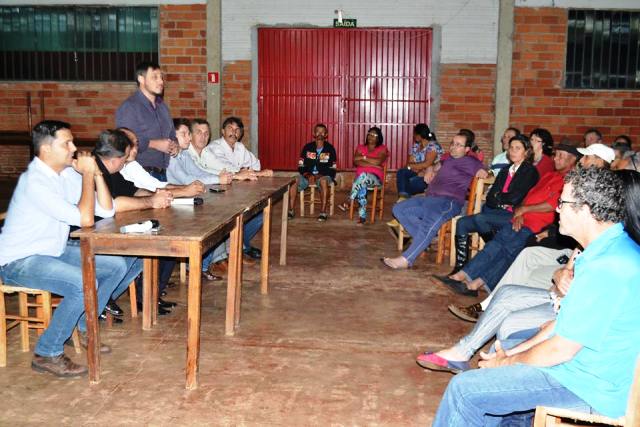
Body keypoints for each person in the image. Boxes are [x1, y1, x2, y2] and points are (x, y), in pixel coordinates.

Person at [431, 167, 640, 426]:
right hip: (586, 371)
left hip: (589, 387)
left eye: (562, 202)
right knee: (506, 364)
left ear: (586, 210)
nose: (557, 209)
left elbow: (561, 348)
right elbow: (562, 327)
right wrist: (509, 356)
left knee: (465, 390)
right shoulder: (608, 249)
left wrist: (507, 363)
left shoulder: (608, 266)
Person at [0, 121, 139, 377]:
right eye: (67, 143)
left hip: (52, 250)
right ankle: (47, 352)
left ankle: (85, 328)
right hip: (19, 260)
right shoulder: (36, 182)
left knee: (118, 264)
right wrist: (87, 175)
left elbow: (106, 210)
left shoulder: (64, 175)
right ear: (47, 149)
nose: (74, 148)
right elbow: (85, 219)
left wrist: (95, 173)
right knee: (81, 283)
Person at [436, 144, 579, 296]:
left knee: (508, 251)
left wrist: (523, 210)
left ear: (573, 159)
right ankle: (460, 276)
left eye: (561, 156)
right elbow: (528, 196)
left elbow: (552, 204)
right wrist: (519, 212)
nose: (555, 158)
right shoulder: (550, 175)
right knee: (495, 244)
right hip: (521, 218)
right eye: (555, 155)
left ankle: (474, 285)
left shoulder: (571, 181)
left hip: (537, 225)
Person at [93, 129, 179, 315]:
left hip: (108, 228)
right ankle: (101, 300)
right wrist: (150, 201)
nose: (126, 161)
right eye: (124, 157)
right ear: (115, 159)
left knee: (144, 257)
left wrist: (156, 196)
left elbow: (133, 190)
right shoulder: (94, 170)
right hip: (89, 234)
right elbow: (113, 205)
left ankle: (106, 298)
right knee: (132, 258)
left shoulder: (112, 170)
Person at [381, 132, 486, 269]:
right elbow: (434, 166)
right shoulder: (448, 159)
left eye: (458, 145)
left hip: (448, 202)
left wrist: (482, 172)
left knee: (428, 224)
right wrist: (430, 169)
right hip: (430, 198)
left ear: (467, 149)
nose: (453, 147)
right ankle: (427, 239)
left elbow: (483, 171)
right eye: (452, 143)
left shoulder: (470, 161)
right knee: (399, 209)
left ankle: (406, 259)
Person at [449, 134, 539, 275]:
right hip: (496, 212)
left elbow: (515, 198)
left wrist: (499, 198)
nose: (513, 151)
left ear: (526, 152)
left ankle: (494, 252)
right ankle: (460, 267)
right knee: (462, 223)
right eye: (511, 148)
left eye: (518, 148)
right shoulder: (504, 171)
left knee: (481, 218)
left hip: (513, 215)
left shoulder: (530, 171)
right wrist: (500, 199)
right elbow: (491, 198)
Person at [189, 117, 265, 262]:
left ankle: (239, 246)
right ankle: (224, 255)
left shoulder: (236, 148)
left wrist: (246, 173)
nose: (233, 132)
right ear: (222, 131)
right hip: (211, 195)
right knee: (228, 216)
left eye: (237, 130)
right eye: (230, 128)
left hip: (229, 191)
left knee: (257, 213)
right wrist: (241, 173)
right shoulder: (213, 148)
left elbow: (255, 165)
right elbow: (223, 167)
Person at [115, 61, 178, 181]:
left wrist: (174, 145)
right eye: (155, 77)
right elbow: (124, 141)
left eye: (161, 77)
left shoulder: (162, 106)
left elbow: (171, 135)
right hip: (139, 172)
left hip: (163, 172)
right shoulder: (130, 107)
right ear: (141, 79)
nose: (161, 81)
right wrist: (154, 144)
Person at [337, 127, 389, 224]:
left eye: (374, 135)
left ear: (379, 138)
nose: (371, 136)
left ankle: (349, 201)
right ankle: (362, 217)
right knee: (362, 184)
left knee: (363, 176)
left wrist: (364, 159)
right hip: (361, 180)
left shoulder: (382, 148)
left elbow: (378, 161)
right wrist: (374, 164)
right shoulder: (360, 147)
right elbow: (356, 161)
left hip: (376, 179)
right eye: (369, 134)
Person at [287, 123, 338, 222]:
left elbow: (333, 168)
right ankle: (291, 210)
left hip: (323, 176)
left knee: (323, 181)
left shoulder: (330, 149)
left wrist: (320, 175)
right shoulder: (307, 147)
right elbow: (301, 165)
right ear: (314, 134)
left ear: (326, 134)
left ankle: (323, 212)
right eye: (317, 131)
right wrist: (307, 174)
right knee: (294, 180)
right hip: (308, 176)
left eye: (323, 132)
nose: (320, 134)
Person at [166, 118, 233, 186]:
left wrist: (219, 177)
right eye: (183, 134)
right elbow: (186, 180)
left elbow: (198, 172)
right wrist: (218, 179)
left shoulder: (184, 153)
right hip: (171, 195)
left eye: (189, 134)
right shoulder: (169, 156)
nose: (189, 138)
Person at [394, 123, 443, 201]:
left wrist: (415, 167)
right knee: (401, 172)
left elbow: (427, 164)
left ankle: (404, 199)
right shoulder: (416, 146)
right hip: (417, 171)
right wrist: (416, 167)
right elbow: (409, 164)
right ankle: (403, 197)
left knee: (408, 184)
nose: (414, 136)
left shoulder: (433, 146)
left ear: (420, 134)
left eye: (415, 134)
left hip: (428, 174)